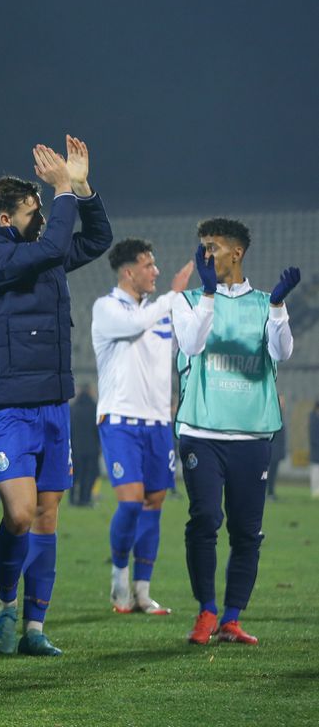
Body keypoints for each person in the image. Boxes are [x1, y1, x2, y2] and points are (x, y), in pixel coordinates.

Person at [0, 136, 112, 657]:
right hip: (8, 404)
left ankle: (34, 627)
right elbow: (53, 246)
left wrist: (83, 188)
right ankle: (5, 603)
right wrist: (64, 188)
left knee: (47, 516)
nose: (43, 214)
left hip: (53, 402)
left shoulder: (41, 250)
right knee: (20, 514)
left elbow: (97, 240)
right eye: (34, 208)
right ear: (6, 218)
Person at [174, 218, 297, 645]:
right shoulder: (187, 299)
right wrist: (208, 293)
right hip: (201, 431)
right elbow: (191, 344)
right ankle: (206, 611)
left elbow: (282, 351)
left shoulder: (266, 303)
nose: (206, 253)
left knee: (247, 531)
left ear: (237, 253)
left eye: (214, 246)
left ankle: (231, 617)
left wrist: (279, 308)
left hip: (251, 435)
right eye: (202, 246)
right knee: (205, 518)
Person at [91, 238, 193, 616]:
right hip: (120, 420)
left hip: (157, 424)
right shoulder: (106, 308)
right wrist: (172, 297)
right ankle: (119, 578)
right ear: (128, 271)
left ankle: (143, 591)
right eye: (149, 265)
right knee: (131, 502)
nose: (156, 272)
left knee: (154, 504)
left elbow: (190, 342)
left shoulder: (161, 312)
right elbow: (134, 325)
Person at [68, 384, 100, 508]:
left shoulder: (73, 408)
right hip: (91, 448)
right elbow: (98, 429)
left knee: (75, 475)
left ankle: (72, 499)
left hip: (75, 448)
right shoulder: (95, 408)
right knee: (89, 475)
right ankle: (85, 499)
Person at [266, 395, 287, 501]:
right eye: (282, 402)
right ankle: (269, 493)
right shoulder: (275, 415)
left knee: (272, 473)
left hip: (277, 450)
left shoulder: (279, 415)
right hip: (273, 450)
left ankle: (271, 492)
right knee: (269, 473)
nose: (284, 405)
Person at [310, 402, 319, 499]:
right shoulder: (313, 418)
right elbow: (313, 437)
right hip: (316, 451)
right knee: (315, 471)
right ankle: (315, 490)